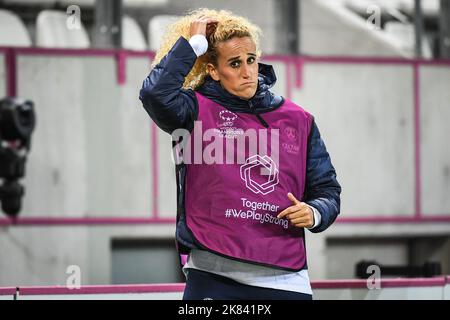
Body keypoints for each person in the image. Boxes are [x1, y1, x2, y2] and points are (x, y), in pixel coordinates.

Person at [139, 8, 341, 300]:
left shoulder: (300, 120)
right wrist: (193, 47)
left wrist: (314, 212)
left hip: (284, 279)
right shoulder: (192, 109)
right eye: (234, 64)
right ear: (213, 70)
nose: (247, 72)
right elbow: (154, 94)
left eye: (251, 60)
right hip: (212, 274)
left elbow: (327, 190)